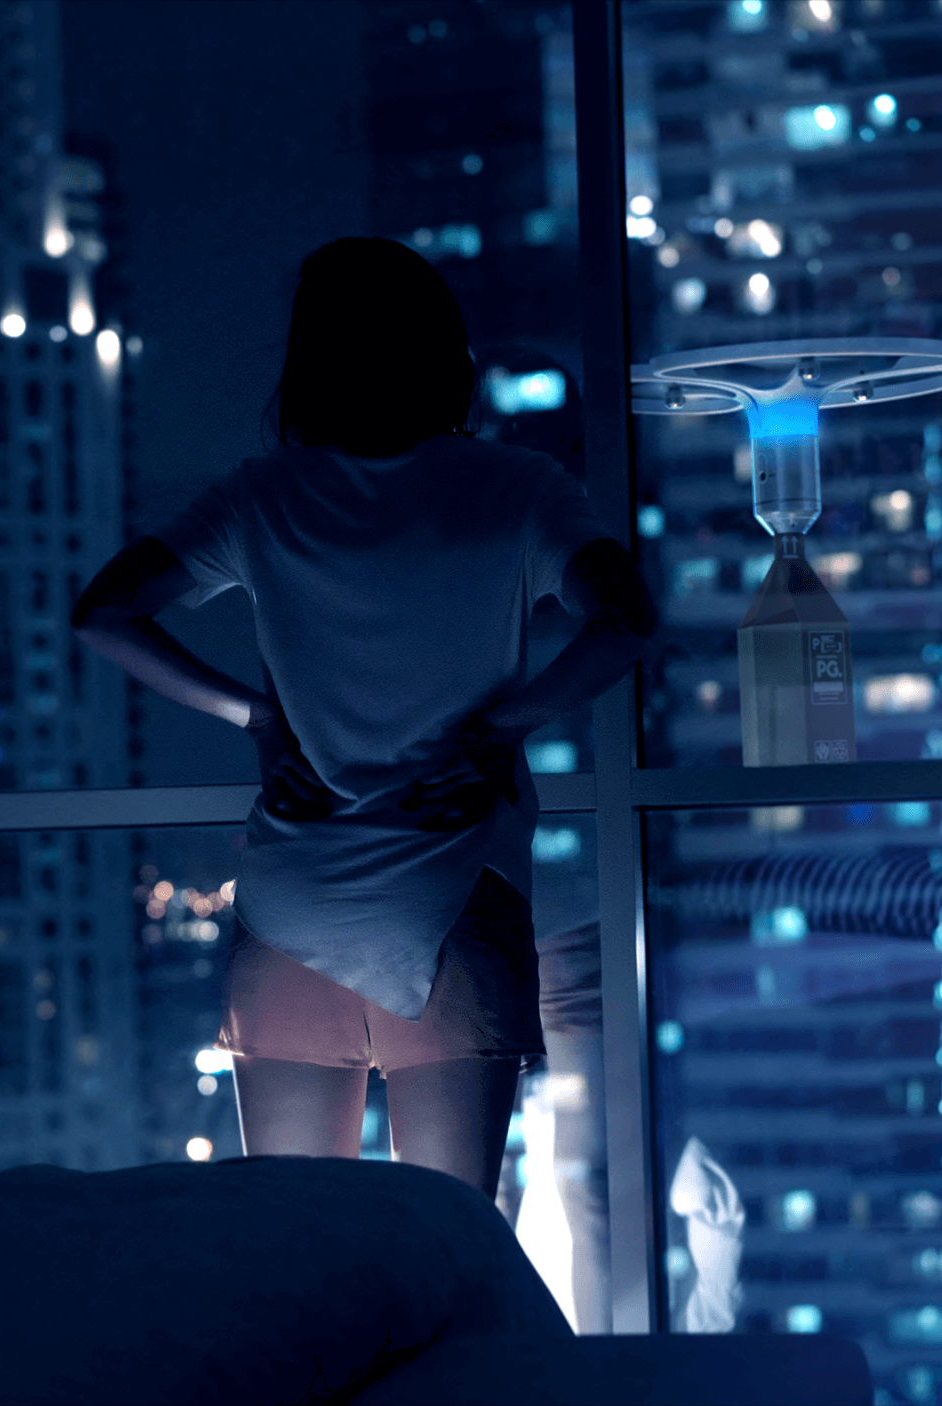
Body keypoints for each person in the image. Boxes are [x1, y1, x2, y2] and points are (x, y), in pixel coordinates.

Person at [71, 237, 654, 1194]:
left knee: (302, 1250)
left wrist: (254, 717)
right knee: (448, 1243)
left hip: (295, 901)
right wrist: (502, 726)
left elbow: (104, 613)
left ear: (310, 365)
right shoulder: (517, 489)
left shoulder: (261, 498)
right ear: (448, 360)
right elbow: (625, 619)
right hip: (453, 895)